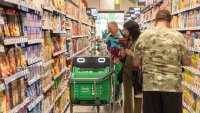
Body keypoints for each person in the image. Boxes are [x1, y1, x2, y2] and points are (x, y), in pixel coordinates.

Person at [133, 9, 191, 113]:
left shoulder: (144, 36)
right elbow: (187, 62)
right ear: (170, 21)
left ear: (155, 21)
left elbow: (136, 63)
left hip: (150, 86)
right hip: (172, 86)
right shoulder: (178, 36)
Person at [120, 20, 142, 113]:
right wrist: (122, 54)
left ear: (131, 30)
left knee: (138, 95)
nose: (124, 31)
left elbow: (144, 57)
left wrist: (132, 53)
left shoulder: (140, 40)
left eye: (125, 29)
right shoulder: (127, 40)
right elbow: (123, 57)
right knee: (127, 96)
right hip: (127, 70)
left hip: (137, 71)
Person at [104, 21, 124, 100]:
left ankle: (117, 95)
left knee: (117, 78)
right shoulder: (110, 36)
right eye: (109, 28)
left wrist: (119, 58)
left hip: (120, 59)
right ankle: (111, 93)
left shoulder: (122, 36)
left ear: (116, 26)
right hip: (112, 58)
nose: (109, 30)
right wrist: (109, 51)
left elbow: (123, 49)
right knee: (111, 76)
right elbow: (107, 45)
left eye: (110, 28)